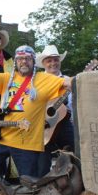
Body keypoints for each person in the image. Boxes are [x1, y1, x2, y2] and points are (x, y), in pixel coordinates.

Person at [0, 45, 71, 190]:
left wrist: (80, 79)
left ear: (33, 61)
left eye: (27, 58)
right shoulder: (7, 78)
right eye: (20, 58)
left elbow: (67, 83)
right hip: (1, 137)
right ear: (16, 61)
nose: (24, 62)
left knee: (29, 183)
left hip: (26, 142)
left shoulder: (45, 79)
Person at [35, 45, 75, 176]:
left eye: (55, 60)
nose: (53, 63)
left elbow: (73, 105)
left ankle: (78, 183)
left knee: (78, 149)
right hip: (44, 126)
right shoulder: (37, 81)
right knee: (41, 161)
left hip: (64, 124)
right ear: (44, 63)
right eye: (49, 60)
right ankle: (40, 185)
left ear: (59, 61)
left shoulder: (69, 80)